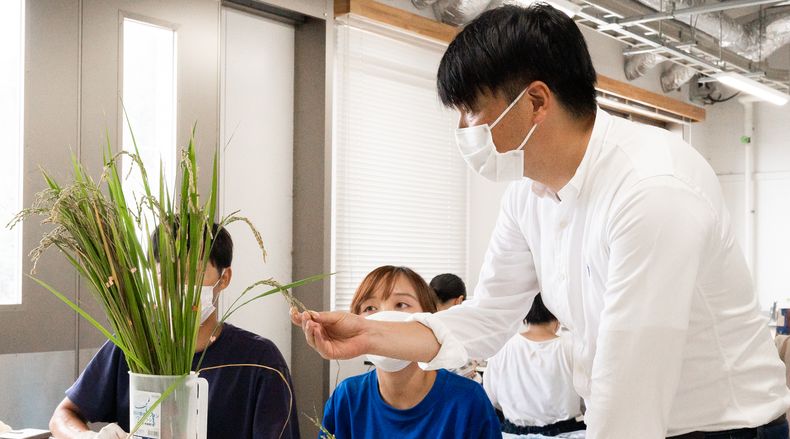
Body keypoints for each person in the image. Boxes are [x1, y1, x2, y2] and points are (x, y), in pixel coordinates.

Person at [293, 4, 790, 438]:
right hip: (625, 415)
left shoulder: (650, 190)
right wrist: (372, 333)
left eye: (471, 112)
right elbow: (487, 319)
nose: (463, 130)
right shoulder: (528, 195)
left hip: (723, 429)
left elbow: (631, 385)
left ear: (534, 102)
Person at [50, 223, 299, 439]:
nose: (178, 289)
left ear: (224, 279)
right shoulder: (132, 347)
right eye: (166, 276)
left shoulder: (259, 362)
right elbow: (63, 415)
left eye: (192, 275)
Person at [319, 265, 500, 439]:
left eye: (401, 304)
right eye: (370, 308)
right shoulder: (347, 398)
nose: (384, 318)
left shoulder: (468, 401)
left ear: (429, 319)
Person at [484, 294, 584, 437]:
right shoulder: (572, 347)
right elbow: (588, 396)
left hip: (513, 433)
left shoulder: (502, 348)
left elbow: (491, 398)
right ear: (558, 314)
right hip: (566, 432)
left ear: (524, 315)